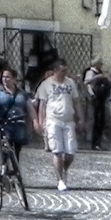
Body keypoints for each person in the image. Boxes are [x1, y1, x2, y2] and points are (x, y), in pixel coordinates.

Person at [33, 59, 79, 191]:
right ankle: (60, 180)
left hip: (68, 119)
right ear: (55, 71)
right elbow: (42, 105)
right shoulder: (46, 84)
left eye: (66, 70)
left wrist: (81, 118)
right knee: (57, 151)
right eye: (62, 70)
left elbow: (77, 101)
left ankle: (63, 168)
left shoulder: (71, 83)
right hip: (53, 120)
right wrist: (41, 122)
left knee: (70, 152)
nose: (65, 73)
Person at [0, 68, 30, 164]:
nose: (5, 79)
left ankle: (15, 168)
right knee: (6, 147)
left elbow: (29, 108)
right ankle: (4, 166)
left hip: (18, 124)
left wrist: (35, 121)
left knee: (17, 150)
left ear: (14, 79)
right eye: (3, 77)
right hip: (3, 124)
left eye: (7, 77)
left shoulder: (22, 94)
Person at [84, 60, 111, 150]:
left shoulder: (101, 72)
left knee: (101, 121)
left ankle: (98, 142)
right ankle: (95, 143)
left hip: (101, 98)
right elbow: (86, 82)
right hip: (95, 98)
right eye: (100, 64)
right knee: (97, 120)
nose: (101, 65)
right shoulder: (90, 72)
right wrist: (97, 77)